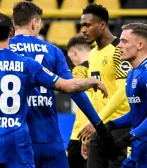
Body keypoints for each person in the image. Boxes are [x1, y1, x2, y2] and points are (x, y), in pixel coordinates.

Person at [0, 12, 108, 168]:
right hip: (32, 140)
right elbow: (68, 86)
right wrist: (91, 84)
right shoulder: (31, 61)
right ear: (11, 31)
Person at [10, 2, 113, 168]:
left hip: (15, 139)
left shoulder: (3, 51)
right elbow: (73, 89)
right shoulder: (52, 51)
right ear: (34, 23)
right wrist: (98, 124)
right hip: (48, 138)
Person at [106, 22, 147, 168]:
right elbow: (138, 112)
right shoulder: (132, 73)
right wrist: (112, 125)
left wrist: (126, 139)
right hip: (138, 151)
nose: (118, 46)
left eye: (124, 41)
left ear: (140, 45)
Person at [79, 3, 131, 168]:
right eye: (82, 26)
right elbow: (96, 96)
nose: (83, 30)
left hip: (119, 128)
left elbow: (123, 91)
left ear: (102, 25)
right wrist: (92, 130)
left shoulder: (119, 51)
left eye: (88, 25)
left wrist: (98, 121)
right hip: (99, 129)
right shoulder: (92, 54)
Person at [66, 34, 92, 168]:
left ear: (74, 52)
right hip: (101, 129)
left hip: (81, 133)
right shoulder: (102, 67)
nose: (72, 62)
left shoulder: (79, 70)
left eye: (71, 58)